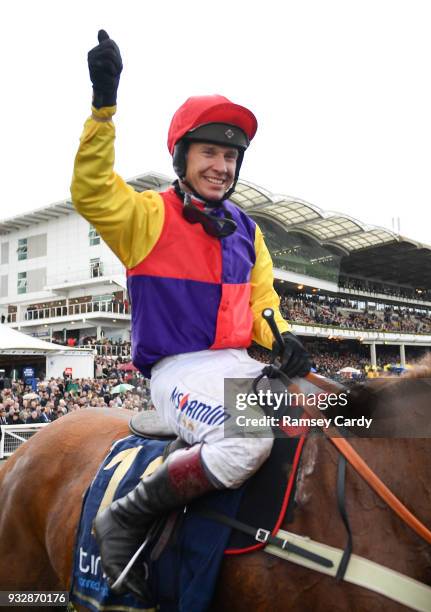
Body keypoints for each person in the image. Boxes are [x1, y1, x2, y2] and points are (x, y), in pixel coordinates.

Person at [71, 30, 312, 600]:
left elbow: (262, 303)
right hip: (179, 371)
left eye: (230, 156)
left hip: (237, 364)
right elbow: (90, 190)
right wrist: (103, 107)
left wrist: (282, 338)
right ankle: (126, 517)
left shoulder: (248, 231)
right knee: (248, 441)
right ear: (182, 156)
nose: (222, 165)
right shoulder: (145, 216)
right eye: (210, 152)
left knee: (334, 415)